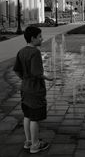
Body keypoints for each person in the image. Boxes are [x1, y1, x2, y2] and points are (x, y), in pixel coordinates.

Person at [13, 26, 53, 154]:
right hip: (35, 90)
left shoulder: (21, 51)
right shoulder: (35, 52)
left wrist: (25, 79)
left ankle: (29, 141)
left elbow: (17, 70)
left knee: (27, 115)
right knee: (35, 118)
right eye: (40, 36)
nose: (42, 38)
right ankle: (35, 145)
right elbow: (37, 73)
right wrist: (48, 77)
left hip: (25, 88)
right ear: (33, 38)